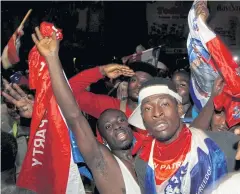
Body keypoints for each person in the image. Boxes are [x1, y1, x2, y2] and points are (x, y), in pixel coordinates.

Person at [31, 26, 141, 194]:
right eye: (108, 127)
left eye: (121, 120)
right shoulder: (105, 164)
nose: (117, 125)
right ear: (102, 140)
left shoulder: (152, 158)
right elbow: (74, 116)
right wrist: (52, 59)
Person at [128, 77, 228, 193]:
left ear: (179, 109)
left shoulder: (218, 146)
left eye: (164, 104)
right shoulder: (143, 164)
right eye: (148, 108)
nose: (157, 113)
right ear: (143, 119)